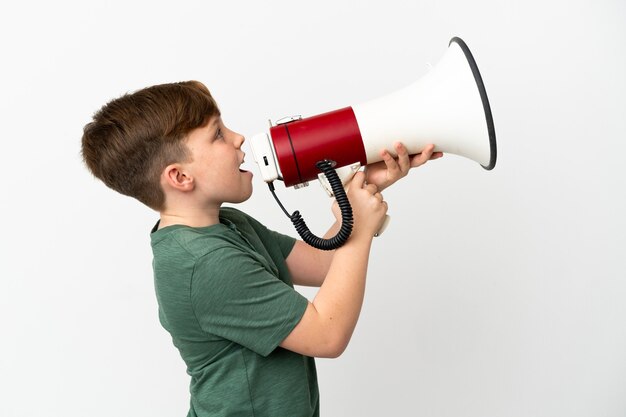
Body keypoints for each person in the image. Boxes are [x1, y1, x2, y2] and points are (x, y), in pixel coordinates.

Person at [81, 80, 442, 417]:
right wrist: (361, 229)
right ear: (180, 177)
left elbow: (322, 263)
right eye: (218, 134)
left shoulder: (226, 224)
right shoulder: (205, 264)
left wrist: (362, 192)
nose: (239, 138)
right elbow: (328, 335)